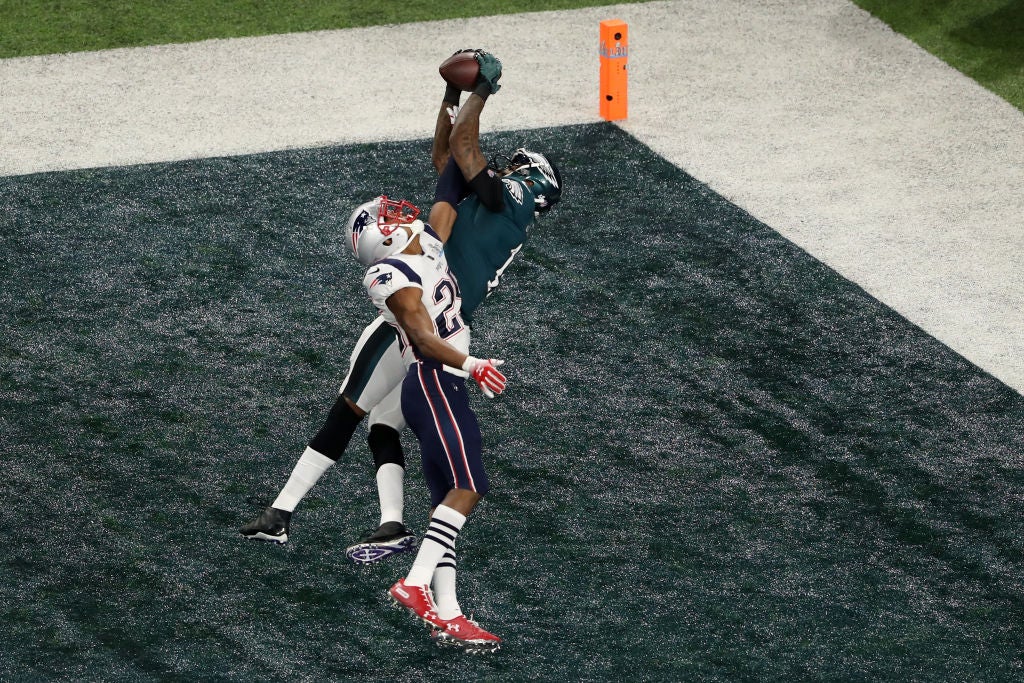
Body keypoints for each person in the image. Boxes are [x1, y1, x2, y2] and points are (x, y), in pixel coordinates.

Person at [239, 49, 562, 565]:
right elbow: (447, 161)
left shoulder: (505, 201)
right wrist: (450, 94)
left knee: (348, 410)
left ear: (532, 179)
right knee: (382, 423)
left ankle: (281, 516)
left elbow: (460, 146)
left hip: (418, 324)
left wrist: (482, 89)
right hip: (450, 321)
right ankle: (391, 527)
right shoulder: (459, 224)